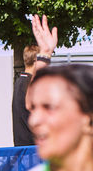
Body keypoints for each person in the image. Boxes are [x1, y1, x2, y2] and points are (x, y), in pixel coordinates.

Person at [12, 15, 59, 146]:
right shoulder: (29, 83)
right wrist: (45, 54)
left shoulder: (20, 81)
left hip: (24, 148)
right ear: (36, 61)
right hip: (33, 149)